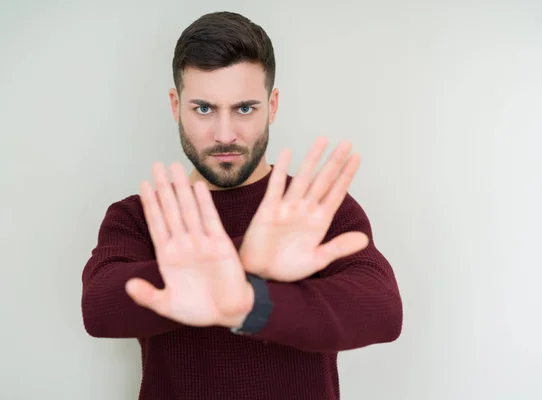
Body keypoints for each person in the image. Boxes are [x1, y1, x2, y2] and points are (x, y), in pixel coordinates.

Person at [81, 10, 403, 400]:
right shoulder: (137, 217)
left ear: (273, 104)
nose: (224, 134)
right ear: (174, 105)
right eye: (203, 109)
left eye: (244, 108)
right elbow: (101, 308)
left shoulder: (312, 209)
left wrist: (248, 303)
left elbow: (382, 311)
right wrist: (248, 259)